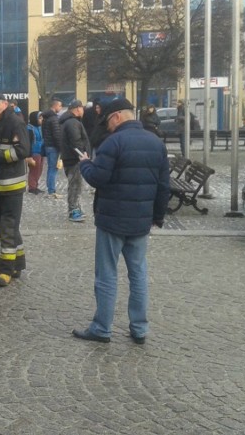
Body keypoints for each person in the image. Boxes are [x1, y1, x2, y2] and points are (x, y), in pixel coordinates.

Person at [72, 98, 169, 345]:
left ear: (116, 117)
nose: (107, 126)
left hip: (111, 219)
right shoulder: (156, 143)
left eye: (107, 121)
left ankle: (102, 328)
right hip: (140, 221)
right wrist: (157, 216)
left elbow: (99, 178)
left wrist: (85, 164)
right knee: (138, 274)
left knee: (106, 275)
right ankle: (139, 328)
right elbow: (163, 185)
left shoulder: (112, 143)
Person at [0, 93, 30, 287]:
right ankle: (18, 264)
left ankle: (6, 270)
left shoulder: (15, 122)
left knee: (7, 227)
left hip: (13, 183)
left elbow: (24, 150)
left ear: (4, 104)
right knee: (9, 228)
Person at [59, 100, 91, 222]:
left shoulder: (69, 121)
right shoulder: (72, 122)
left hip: (70, 157)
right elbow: (76, 141)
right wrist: (83, 155)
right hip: (74, 159)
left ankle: (76, 207)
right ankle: (73, 210)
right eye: (82, 108)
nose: (83, 111)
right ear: (77, 109)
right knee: (75, 184)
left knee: (76, 184)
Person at [41, 98, 64, 199]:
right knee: (53, 169)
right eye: (60, 106)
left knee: (50, 168)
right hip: (54, 147)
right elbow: (57, 135)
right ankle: (51, 190)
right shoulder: (54, 119)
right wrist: (61, 148)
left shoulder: (45, 118)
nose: (61, 108)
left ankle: (50, 189)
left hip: (47, 145)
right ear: (55, 106)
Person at [26, 111, 44, 194]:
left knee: (39, 170)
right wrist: (29, 155)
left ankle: (36, 185)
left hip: (40, 152)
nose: (41, 120)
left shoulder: (39, 127)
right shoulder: (29, 128)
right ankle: (32, 187)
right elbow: (28, 143)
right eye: (39, 118)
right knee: (34, 170)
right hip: (34, 152)